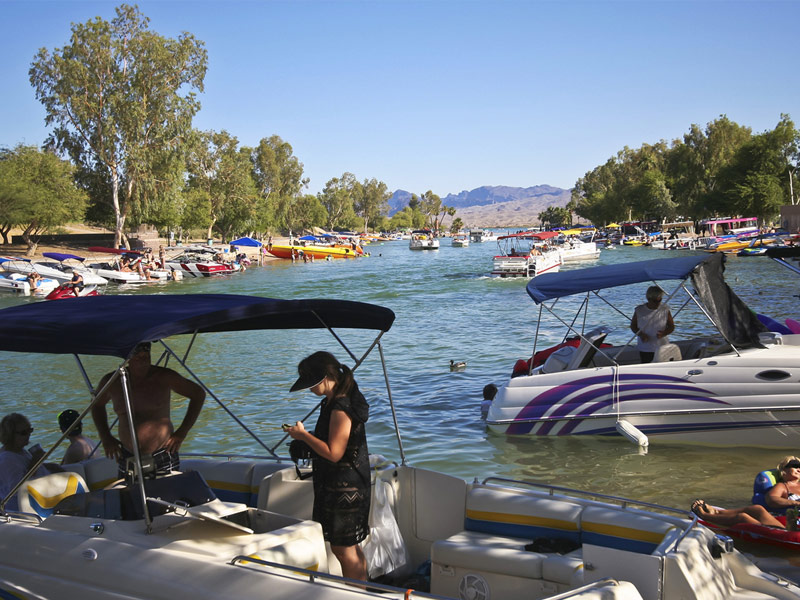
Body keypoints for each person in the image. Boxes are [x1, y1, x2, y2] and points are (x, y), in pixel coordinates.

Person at [284, 351, 371, 582]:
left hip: (345, 488)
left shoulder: (340, 407)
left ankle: (356, 596)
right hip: (348, 483)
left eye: (311, 384)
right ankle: (362, 593)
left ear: (324, 379)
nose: (309, 390)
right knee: (351, 547)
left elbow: (334, 453)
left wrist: (303, 436)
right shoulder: (340, 399)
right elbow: (335, 441)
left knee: (343, 550)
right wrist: (308, 438)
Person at [91, 341, 206, 480]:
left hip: (163, 453)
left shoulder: (165, 377)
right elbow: (97, 405)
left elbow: (198, 394)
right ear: (128, 359)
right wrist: (105, 437)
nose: (143, 360)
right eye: (138, 357)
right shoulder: (112, 381)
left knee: (166, 499)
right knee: (130, 499)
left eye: (146, 356)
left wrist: (182, 432)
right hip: (127, 455)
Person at [691, 456, 800, 529]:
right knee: (753, 511)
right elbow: (771, 499)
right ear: (784, 471)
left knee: (744, 516)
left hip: (793, 525)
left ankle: (716, 513)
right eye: (794, 465)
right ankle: (706, 515)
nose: (798, 468)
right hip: (788, 524)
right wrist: (796, 503)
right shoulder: (783, 486)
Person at [0, 413, 56, 510]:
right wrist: (35, 462)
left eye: (30, 430)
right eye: (23, 433)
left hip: (41, 497)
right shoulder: (7, 459)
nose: (28, 435)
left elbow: (26, 470)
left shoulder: (20, 451)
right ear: (10, 435)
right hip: (26, 507)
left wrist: (50, 467)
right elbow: (18, 489)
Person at [630, 285, 675, 363]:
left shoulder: (665, 309)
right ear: (648, 299)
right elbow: (633, 326)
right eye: (655, 301)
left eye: (660, 300)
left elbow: (671, 326)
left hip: (663, 346)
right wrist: (641, 334)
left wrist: (664, 333)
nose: (658, 303)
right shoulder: (639, 310)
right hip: (646, 348)